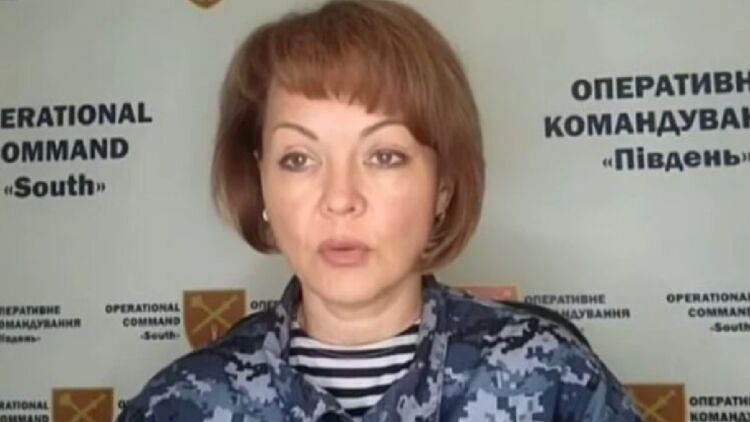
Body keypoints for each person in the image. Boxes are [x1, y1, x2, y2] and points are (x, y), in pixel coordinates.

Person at [118, 1, 641, 421]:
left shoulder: (547, 377)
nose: (340, 198)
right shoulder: (183, 404)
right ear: (262, 184)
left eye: (384, 156)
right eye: (299, 159)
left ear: (443, 187)